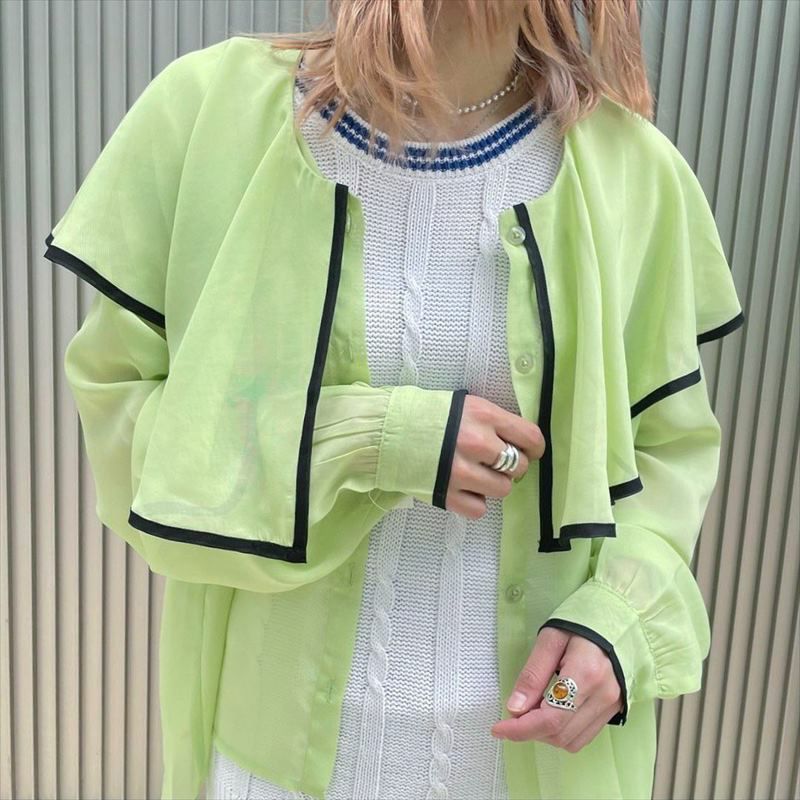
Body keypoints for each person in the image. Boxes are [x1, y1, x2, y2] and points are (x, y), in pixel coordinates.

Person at [44, 1, 745, 799]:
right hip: (272, 770)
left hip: (531, 765)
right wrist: (378, 440)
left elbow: (668, 454)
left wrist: (618, 626)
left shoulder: (626, 171)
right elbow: (126, 430)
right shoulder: (212, 117)